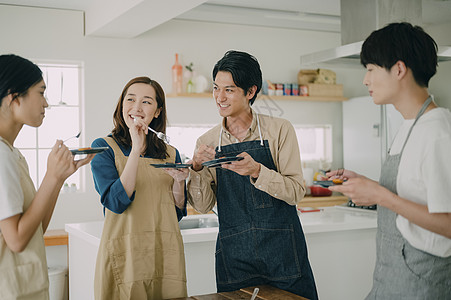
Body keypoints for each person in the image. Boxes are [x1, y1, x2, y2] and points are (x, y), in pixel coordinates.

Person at [328, 22, 451, 299]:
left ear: (398, 69)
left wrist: (381, 196)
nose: (365, 80)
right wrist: (366, 184)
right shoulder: (408, 125)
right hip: (390, 277)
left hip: (422, 283)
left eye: (370, 69)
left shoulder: (437, 130)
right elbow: (413, 191)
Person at [186, 50, 318, 300]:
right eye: (216, 88)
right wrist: (196, 169)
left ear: (250, 92)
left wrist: (258, 171)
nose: (219, 97)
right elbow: (203, 206)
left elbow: (296, 192)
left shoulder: (279, 130)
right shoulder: (207, 141)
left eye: (229, 90)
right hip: (235, 256)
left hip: (283, 253)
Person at [0, 54, 94, 299]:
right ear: (14, 97)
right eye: (41, 93)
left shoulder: (12, 153)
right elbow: (17, 240)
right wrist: (50, 178)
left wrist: (59, 178)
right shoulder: (1, 154)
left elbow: (36, 229)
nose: (46, 103)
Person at [90, 76, 188, 299]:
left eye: (146, 101)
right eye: (130, 99)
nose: (136, 107)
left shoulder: (171, 153)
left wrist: (180, 181)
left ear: (157, 111)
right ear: (121, 106)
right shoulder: (103, 147)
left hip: (164, 254)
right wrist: (136, 149)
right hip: (125, 256)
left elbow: (176, 211)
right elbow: (116, 202)